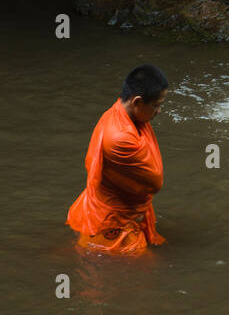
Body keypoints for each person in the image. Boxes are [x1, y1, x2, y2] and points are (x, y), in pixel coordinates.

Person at [67, 64, 169, 255]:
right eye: (156, 105)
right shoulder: (120, 139)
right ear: (137, 101)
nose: (159, 111)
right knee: (148, 273)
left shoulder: (118, 112)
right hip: (111, 224)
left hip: (104, 208)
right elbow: (155, 182)